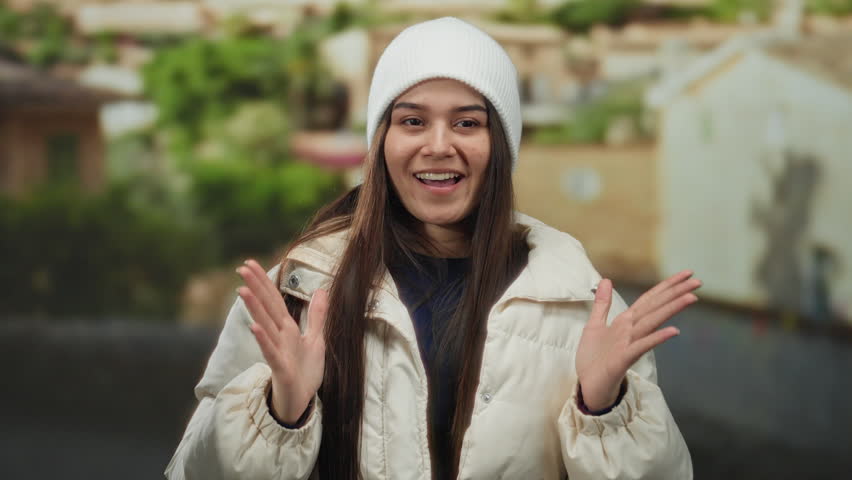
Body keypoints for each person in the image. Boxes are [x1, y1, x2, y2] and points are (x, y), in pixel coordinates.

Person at [165, 17, 696, 480]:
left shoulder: (579, 304)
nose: (439, 145)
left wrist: (604, 410)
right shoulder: (298, 291)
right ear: (381, 142)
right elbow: (194, 471)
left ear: (501, 147)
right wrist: (281, 413)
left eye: (468, 122)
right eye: (412, 120)